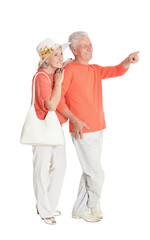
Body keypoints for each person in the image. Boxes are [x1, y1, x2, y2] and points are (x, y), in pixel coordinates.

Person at [56, 31, 139, 223]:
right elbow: (59, 100)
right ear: (74, 50)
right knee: (96, 173)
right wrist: (74, 120)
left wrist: (128, 60)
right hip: (81, 129)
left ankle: (78, 209)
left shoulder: (93, 69)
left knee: (89, 170)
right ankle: (94, 206)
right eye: (84, 45)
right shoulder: (69, 71)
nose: (89, 48)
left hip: (98, 127)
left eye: (90, 44)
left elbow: (116, 70)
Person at [32, 38, 70, 225]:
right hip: (42, 127)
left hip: (54, 127)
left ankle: (47, 205)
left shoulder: (53, 73)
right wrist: (60, 81)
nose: (61, 57)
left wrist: (62, 69)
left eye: (61, 53)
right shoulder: (41, 77)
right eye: (55, 54)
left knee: (60, 165)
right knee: (41, 169)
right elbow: (52, 105)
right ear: (46, 59)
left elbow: (62, 66)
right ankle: (45, 209)